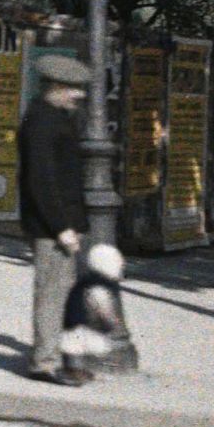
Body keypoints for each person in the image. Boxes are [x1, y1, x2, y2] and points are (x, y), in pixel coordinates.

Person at [18, 54, 92, 385]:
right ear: (56, 88)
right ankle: (43, 364)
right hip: (53, 226)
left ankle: (60, 359)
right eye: (74, 89)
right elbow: (41, 181)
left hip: (64, 222)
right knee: (51, 295)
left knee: (62, 293)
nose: (80, 95)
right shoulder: (42, 122)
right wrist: (61, 228)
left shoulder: (54, 117)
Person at [61, 243, 127, 375]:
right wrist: (113, 325)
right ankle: (81, 368)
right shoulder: (99, 286)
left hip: (71, 329)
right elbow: (104, 311)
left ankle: (76, 366)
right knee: (107, 344)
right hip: (80, 332)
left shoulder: (86, 281)